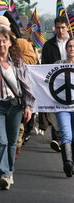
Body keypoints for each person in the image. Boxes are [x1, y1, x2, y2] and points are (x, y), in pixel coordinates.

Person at [0, 28, 34, 190]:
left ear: (11, 42)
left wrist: (28, 107)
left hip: (15, 106)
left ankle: (10, 170)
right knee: (1, 141)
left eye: (4, 40)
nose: (1, 44)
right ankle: (4, 174)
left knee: (12, 142)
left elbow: (26, 87)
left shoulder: (17, 63)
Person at [0, 15, 37, 158]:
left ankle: (13, 154)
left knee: (13, 137)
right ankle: (6, 169)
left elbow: (32, 61)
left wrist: (15, 62)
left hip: (16, 98)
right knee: (2, 141)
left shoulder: (20, 43)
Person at [41, 16, 71, 153]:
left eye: (63, 27)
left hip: (72, 85)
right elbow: (44, 66)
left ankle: (66, 141)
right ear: (55, 28)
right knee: (56, 111)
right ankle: (58, 140)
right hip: (56, 86)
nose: (60, 30)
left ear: (67, 27)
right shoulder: (48, 45)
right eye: (58, 28)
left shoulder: (73, 42)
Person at [54, 38, 74, 177]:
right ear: (65, 49)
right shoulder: (57, 65)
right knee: (66, 133)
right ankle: (67, 162)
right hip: (62, 107)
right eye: (69, 46)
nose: (72, 48)